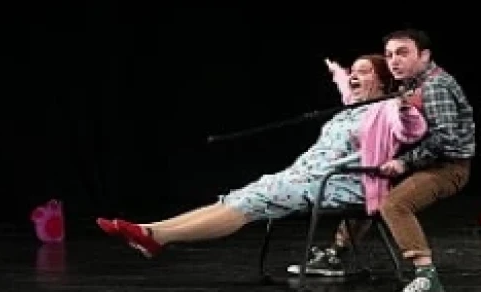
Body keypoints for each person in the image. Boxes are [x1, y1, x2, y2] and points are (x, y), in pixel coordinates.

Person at [96, 55, 425, 257]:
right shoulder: (350, 109)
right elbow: (347, 90)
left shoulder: (386, 111)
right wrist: (339, 74)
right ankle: (148, 230)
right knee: (237, 196)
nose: (354, 75)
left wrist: (404, 104)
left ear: (383, 82)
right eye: (353, 70)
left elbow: (410, 128)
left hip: (339, 186)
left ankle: (158, 237)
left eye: (364, 71)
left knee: (251, 201)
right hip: (301, 178)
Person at [379, 28, 475, 292]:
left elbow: (446, 139)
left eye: (402, 53)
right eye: (389, 55)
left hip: (449, 167)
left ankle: (427, 278)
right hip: (427, 164)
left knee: (394, 204)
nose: (394, 61)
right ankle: (336, 252)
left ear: (424, 56)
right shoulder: (410, 85)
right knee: (368, 188)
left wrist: (404, 162)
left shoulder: (435, 86)